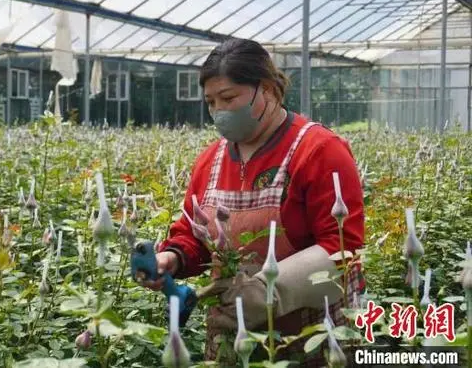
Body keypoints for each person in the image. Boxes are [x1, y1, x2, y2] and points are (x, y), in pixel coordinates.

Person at [142, 39, 365, 366]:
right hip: (231, 333)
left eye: (229, 98)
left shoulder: (317, 150)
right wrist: (172, 258)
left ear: (268, 91)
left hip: (311, 335)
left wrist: (268, 291)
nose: (219, 111)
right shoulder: (211, 160)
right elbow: (194, 233)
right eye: (211, 101)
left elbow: (343, 248)